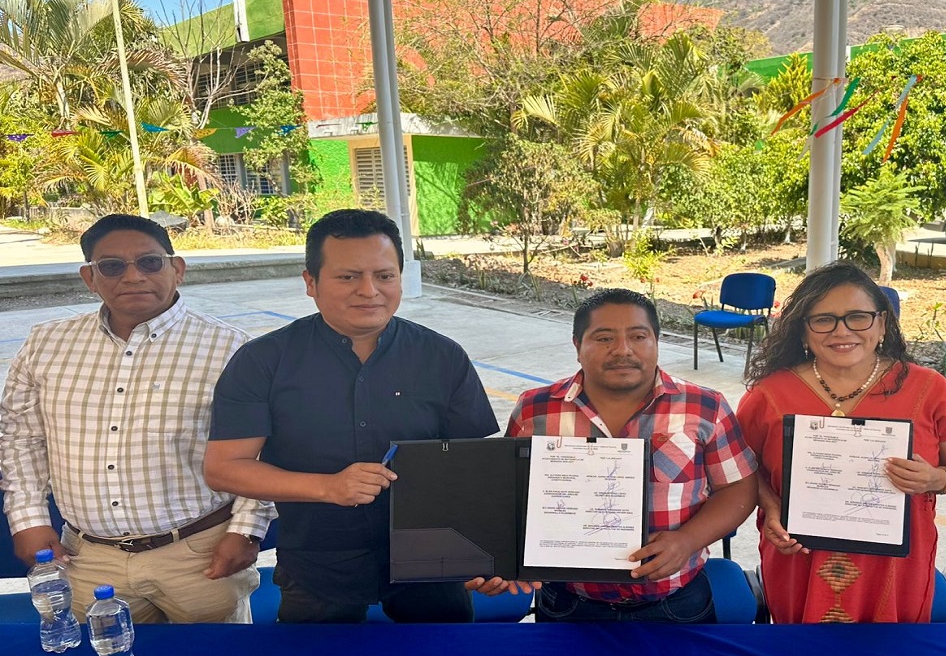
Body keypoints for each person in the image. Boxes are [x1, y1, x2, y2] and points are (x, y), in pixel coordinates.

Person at [203, 209, 498, 623]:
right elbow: (223, 469)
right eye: (348, 277)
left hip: (434, 563)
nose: (369, 291)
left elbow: (475, 466)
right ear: (311, 282)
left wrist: (488, 547)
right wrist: (328, 487)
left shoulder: (441, 356)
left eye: (385, 275)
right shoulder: (264, 361)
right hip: (317, 564)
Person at [0, 214, 270, 623]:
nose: (132, 276)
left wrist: (246, 530)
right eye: (111, 266)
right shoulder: (46, 344)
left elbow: (263, 447)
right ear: (89, 277)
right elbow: (20, 439)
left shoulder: (232, 349)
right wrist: (29, 522)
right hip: (86, 559)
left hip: (200, 555)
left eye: (149, 262)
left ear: (176, 269)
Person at [736, 261, 946, 623]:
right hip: (798, 557)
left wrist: (936, 479)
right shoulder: (770, 394)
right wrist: (770, 506)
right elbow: (740, 468)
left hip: (895, 566)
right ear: (803, 332)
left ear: (882, 323)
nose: (842, 331)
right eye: (823, 319)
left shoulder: (929, 388)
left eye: (858, 317)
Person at [505, 288, 758, 623]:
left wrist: (687, 540)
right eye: (604, 337)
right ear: (577, 346)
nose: (622, 350)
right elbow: (509, 495)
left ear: (657, 341)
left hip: (677, 601)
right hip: (569, 602)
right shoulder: (535, 409)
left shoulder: (705, 407)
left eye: (638, 336)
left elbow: (739, 487)